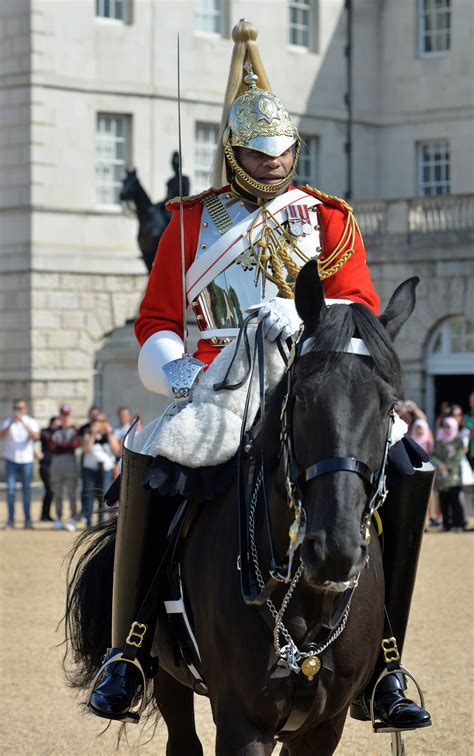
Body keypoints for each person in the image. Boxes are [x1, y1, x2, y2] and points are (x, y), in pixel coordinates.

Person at [88, 20, 432, 731]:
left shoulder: (328, 219)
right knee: (153, 459)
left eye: (282, 153)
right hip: (219, 381)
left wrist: (309, 317)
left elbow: (364, 307)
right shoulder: (189, 225)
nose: (274, 165)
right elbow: (155, 321)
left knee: (404, 458)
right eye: (259, 154)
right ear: (234, 151)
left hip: (313, 366)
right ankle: (131, 648)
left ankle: (387, 659)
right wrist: (176, 371)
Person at [0, 399, 40, 529]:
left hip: (26, 460)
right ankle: (11, 520)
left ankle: (27, 520)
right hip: (11, 459)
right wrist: (12, 422)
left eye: (20, 408)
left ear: (25, 409)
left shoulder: (31, 421)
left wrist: (23, 422)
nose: (18, 410)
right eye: (16, 408)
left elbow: (35, 436)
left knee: (26, 491)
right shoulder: (8, 421)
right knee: (11, 491)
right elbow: (2, 435)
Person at [80, 413, 120, 527]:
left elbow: (116, 450)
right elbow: (87, 449)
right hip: (90, 468)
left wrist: (109, 432)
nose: (99, 423)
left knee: (103, 494)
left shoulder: (110, 434)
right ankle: (88, 521)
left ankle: (101, 521)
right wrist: (93, 432)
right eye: (97, 421)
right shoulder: (87, 433)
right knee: (89, 494)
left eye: (102, 421)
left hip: (106, 469)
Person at [48, 404, 81, 531]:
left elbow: (73, 445)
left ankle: (73, 517)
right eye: (63, 415)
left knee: (72, 491)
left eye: (67, 415)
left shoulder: (74, 430)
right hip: (56, 462)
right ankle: (58, 518)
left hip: (69, 460)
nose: (65, 417)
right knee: (57, 492)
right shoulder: (54, 430)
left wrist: (61, 445)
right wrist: (64, 445)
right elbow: (51, 446)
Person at [432, 417, 467, 531]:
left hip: (454, 475)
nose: (446, 429)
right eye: (445, 426)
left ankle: (459, 524)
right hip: (442, 477)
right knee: (444, 500)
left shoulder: (458, 441)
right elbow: (434, 455)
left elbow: (459, 455)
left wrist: (446, 466)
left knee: (456, 500)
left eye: (448, 426)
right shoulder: (440, 440)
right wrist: (439, 465)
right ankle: (447, 524)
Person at [38, 416, 61, 522]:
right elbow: (34, 441)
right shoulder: (44, 432)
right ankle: (44, 515)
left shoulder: (60, 433)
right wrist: (37, 454)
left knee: (52, 491)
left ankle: (46, 514)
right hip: (46, 465)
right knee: (49, 490)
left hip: (55, 465)